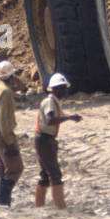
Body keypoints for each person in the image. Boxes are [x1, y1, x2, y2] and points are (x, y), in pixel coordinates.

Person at [34, 72, 82, 208]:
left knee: (45, 174)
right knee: (55, 174)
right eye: (62, 88)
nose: (65, 90)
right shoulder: (50, 102)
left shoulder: (53, 101)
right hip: (44, 139)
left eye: (65, 87)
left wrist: (70, 117)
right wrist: (70, 118)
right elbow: (50, 120)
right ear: (54, 89)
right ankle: (61, 208)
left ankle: (39, 206)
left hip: (45, 139)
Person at [0, 60, 23, 206]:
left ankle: (2, 202)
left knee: (5, 168)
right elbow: (3, 121)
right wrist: (10, 143)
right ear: (12, 77)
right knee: (15, 169)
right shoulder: (6, 93)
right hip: (3, 135)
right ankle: (3, 202)